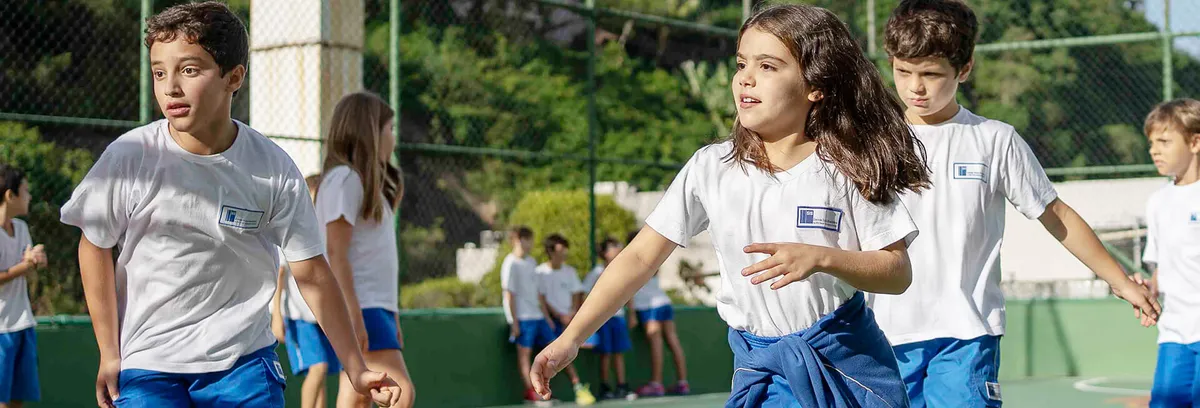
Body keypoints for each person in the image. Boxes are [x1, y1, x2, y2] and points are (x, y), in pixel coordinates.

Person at [530, 4, 933, 407]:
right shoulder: (710, 168)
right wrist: (571, 339)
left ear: (816, 85)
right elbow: (639, 259)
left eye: (769, 66)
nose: (746, 79)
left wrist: (823, 258)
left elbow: (896, 272)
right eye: (742, 64)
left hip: (847, 368)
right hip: (763, 375)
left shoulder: (849, 166)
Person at [59, 3, 401, 406]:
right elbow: (94, 244)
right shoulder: (130, 155)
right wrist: (109, 352)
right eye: (158, 72)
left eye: (189, 70)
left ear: (233, 77)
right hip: (148, 366)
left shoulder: (272, 168)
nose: (170, 87)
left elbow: (311, 272)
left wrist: (355, 366)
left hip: (243, 365)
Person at [868, 2, 1160, 406]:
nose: (915, 87)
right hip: (883, 335)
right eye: (903, 72)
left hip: (966, 335)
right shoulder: (872, 142)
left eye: (931, 74)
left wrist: (1121, 281)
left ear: (964, 69)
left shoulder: (994, 140)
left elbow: (1056, 216)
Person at [315, 92, 416, 408]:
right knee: (400, 392)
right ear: (370, 132)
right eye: (390, 129)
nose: (394, 137)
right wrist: (353, 313)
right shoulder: (345, 180)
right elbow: (336, 252)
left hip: (376, 306)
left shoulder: (362, 183)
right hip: (362, 307)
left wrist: (393, 314)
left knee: (358, 396)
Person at [1142, 98, 1200, 407]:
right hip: (1174, 334)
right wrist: (1148, 288)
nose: (1154, 150)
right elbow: (1161, 268)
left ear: (1195, 142)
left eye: (1164, 141)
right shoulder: (1157, 202)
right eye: (1152, 142)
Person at [271, 174, 341, 408]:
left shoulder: (329, 233)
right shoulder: (294, 229)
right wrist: (277, 315)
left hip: (322, 317)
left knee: (322, 376)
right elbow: (280, 274)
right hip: (299, 317)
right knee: (318, 368)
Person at [0, 164, 45, 408]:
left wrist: (36, 261)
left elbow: (26, 266)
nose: (29, 196)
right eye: (25, 191)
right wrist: (24, 266)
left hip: (23, 324)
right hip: (1, 330)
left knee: (18, 400)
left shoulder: (22, 229)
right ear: (10, 195)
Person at [626, 231, 689, 397]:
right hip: (664, 302)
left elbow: (629, 287)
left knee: (656, 342)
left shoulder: (632, 259)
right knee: (672, 340)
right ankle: (682, 382)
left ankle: (656, 383)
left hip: (650, 306)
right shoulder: (654, 255)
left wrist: (631, 313)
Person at [582, 237, 635, 401]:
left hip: (618, 318)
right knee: (605, 353)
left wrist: (631, 314)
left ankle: (622, 386)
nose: (618, 248)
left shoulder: (622, 270)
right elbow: (585, 295)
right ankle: (605, 387)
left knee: (618, 352)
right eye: (613, 246)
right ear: (604, 253)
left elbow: (629, 292)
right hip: (602, 319)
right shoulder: (595, 273)